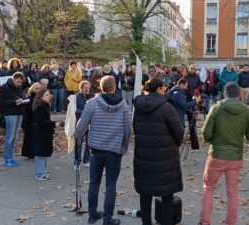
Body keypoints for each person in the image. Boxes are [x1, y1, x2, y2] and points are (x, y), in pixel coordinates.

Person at [74, 75, 131, 225]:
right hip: (114, 150)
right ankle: (107, 219)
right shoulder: (123, 104)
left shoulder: (92, 103)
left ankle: (92, 214)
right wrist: (124, 146)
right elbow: (128, 128)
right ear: (114, 87)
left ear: (101, 87)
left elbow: (82, 125)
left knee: (94, 182)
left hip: (96, 148)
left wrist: (75, 136)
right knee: (111, 184)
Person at [199, 83, 249, 225]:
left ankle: (205, 222)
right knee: (232, 191)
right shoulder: (246, 110)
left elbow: (206, 133)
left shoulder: (216, 108)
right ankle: (231, 222)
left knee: (208, 188)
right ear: (238, 95)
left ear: (225, 93)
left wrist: (211, 140)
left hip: (216, 154)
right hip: (235, 156)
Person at [133, 77, 184, 225]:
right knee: (167, 193)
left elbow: (136, 127)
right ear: (159, 89)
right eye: (163, 88)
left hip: (144, 154)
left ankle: (146, 222)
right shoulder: (167, 107)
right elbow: (177, 131)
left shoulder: (139, 106)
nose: (165, 91)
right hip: (165, 156)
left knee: (145, 193)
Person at [33, 89, 62, 180]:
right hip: (41, 134)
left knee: (43, 154)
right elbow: (42, 122)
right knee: (41, 155)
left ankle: (41, 171)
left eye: (49, 94)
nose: (49, 96)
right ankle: (39, 174)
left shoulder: (45, 106)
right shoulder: (40, 107)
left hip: (44, 133)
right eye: (46, 94)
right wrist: (54, 124)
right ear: (41, 97)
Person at [0, 72, 26, 167]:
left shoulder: (19, 87)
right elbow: (1, 102)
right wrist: (14, 101)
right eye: (18, 82)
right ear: (14, 79)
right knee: (9, 137)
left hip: (19, 113)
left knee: (15, 137)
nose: (19, 84)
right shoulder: (4, 87)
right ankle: (7, 158)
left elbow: (20, 97)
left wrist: (23, 100)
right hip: (10, 114)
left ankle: (11, 156)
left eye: (21, 82)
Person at [169, 79, 201, 150]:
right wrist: (196, 101)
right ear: (181, 84)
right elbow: (185, 105)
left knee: (178, 140)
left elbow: (184, 108)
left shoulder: (179, 93)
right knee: (176, 141)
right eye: (185, 86)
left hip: (179, 118)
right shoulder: (177, 93)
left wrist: (192, 112)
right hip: (177, 119)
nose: (186, 88)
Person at [74, 80, 94, 169]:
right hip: (80, 123)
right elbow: (74, 110)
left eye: (88, 88)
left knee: (89, 143)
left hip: (90, 123)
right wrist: (85, 113)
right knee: (78, 144)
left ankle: (86, 160)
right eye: (85, 88)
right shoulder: (76, 97)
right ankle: (77, 162)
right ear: (81, 88)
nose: (87, 89)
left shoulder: (91, 97)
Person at [21, 83, 41, 159]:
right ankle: (30, 154)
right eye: (37, 88)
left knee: (34, 137)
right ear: (33, 89)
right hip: (30, 120)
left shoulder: (39, 97)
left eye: (39, 88)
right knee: (30, 137)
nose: (39, 89)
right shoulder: (30, 97)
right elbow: (28, 108)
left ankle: (34, 153)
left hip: (35, 120)